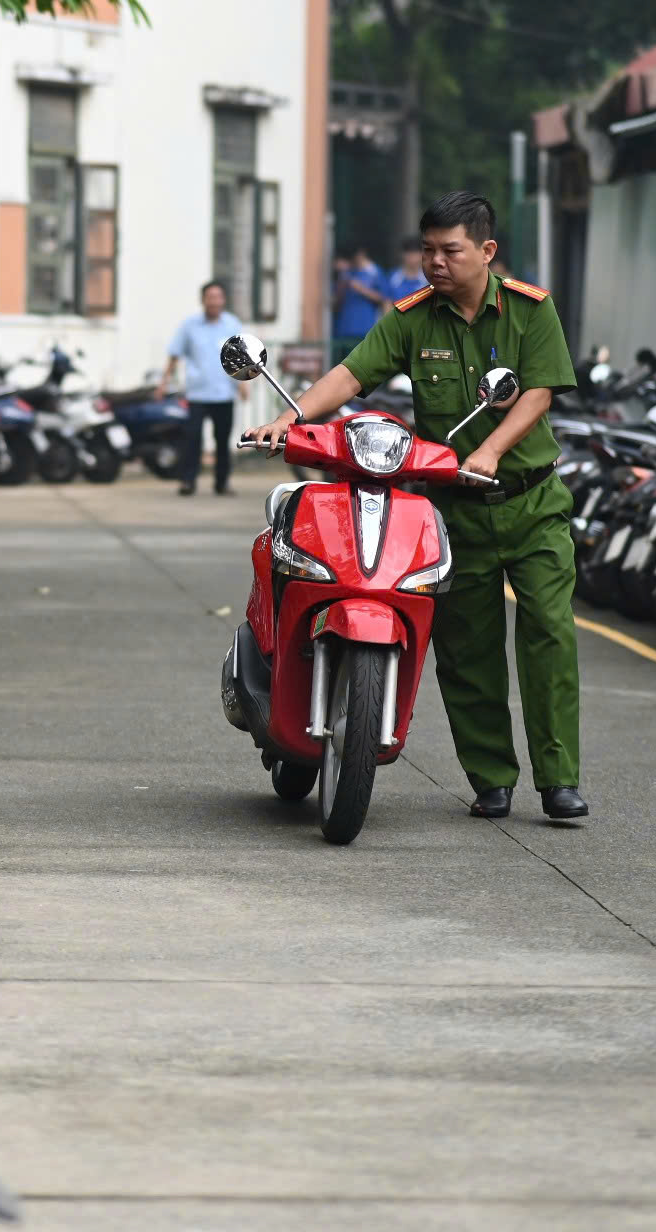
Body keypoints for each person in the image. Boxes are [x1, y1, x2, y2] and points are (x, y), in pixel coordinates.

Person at [242, 191, 587, 822]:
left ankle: (559, 780)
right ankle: (491, 780)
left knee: (549, 633)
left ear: (486, 252)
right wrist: (287, 420)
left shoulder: (532, 312)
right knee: (466, 645)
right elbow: (351, 375)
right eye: (427, 249)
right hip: (453, 508)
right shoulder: (412, 318)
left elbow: (538, 393)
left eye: (449, 251)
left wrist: (489, 450)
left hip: (532, 502)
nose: (434, 262)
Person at [162, 280, 245, 497]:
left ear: (223, 300)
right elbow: (175, 354)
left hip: (224, 393)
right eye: (210, 297)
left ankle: (222, 482)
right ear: (203, 300)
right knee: (192, 439)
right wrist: (164, 381)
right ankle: (188, 481)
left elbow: (241, 357)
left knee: (222, 439)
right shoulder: (190, 326)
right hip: (197, 394)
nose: (214, 302)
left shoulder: (232, 324)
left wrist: (243, 385)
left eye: (218, 297)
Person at [330, 248, 388, 362]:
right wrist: (343, 281)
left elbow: (384, 299)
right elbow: (335, 305)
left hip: (366, 331)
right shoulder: (346, 274)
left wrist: (360, 288)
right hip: (344, 331)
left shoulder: (375, 272)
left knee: (365, 366)